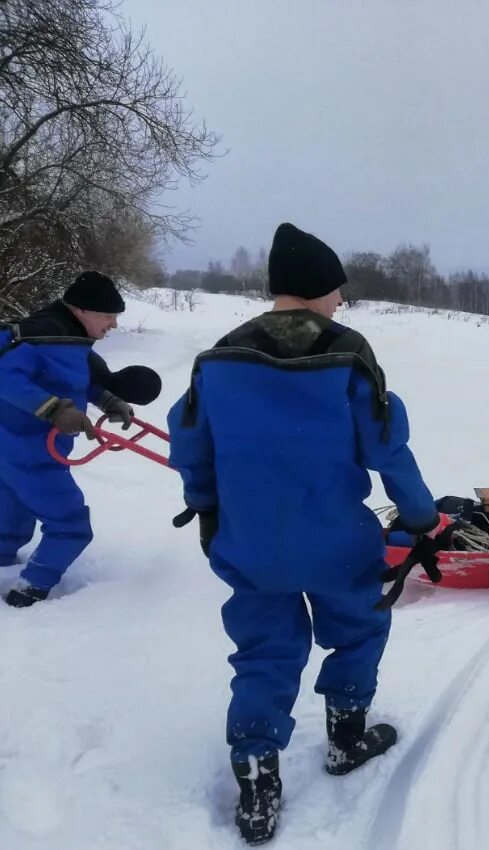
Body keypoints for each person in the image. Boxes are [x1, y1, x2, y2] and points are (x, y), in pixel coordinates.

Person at [167, 222, 447, 846]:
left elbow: (191, 448)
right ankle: (346, 738)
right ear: (319, 289)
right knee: (360, 628)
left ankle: (258, 782)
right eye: (337, 290)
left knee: (264, 653)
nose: (341, 302)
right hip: (337, 544)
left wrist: (208, 513)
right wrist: (423, 519)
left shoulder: (218, 358)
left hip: (251, 546)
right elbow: (388, 449)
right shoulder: (348, 353)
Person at [0, 271, 160, 608]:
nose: (113, 324)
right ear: (81, 310)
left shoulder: (67, 340)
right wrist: (54, 410)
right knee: (70, 525)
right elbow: (7, 378)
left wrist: (107, 400)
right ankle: (31, 587)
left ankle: (2, 559)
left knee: (13, 512)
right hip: (31, 453)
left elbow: (73, 380)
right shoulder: (41, 339)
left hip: (13, 448)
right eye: (108, 316)